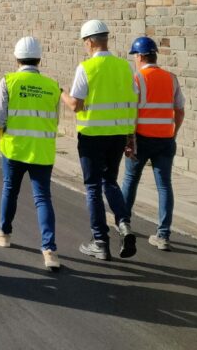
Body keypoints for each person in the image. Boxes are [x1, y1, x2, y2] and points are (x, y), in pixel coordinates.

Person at [61, 19, 139, 261]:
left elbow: (76, 105)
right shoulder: (125, 67)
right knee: (111, 182)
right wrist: (130, 135)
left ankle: (100, 242)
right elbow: (131, 102)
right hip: (117, 135)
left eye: (85, 42)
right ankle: (124, 223)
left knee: (93, 187)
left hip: (92, 136)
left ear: (90, 41)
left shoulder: (86, 68)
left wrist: (59, 92)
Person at [0, 36, 61, 271]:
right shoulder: (52, 86)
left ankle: (4, 233)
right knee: (43, 199)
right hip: (42, 151)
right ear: (39, 59)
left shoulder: (8, 82)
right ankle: (49, 251)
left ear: (17, 58)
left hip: (14, 148)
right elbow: (55, 120)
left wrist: (1, 138)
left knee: (10, 189)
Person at [120, 36, 185, 251]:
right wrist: (173, 132)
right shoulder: (171, 78)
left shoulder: (137, 79)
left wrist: (129, 140)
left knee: (131, 179)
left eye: (134, 56)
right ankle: (163, 235)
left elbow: (130, 112)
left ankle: (124, 222)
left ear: (139, 56)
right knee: (164, 185)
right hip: (166, 139)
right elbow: (180, 109)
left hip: (141, 138)